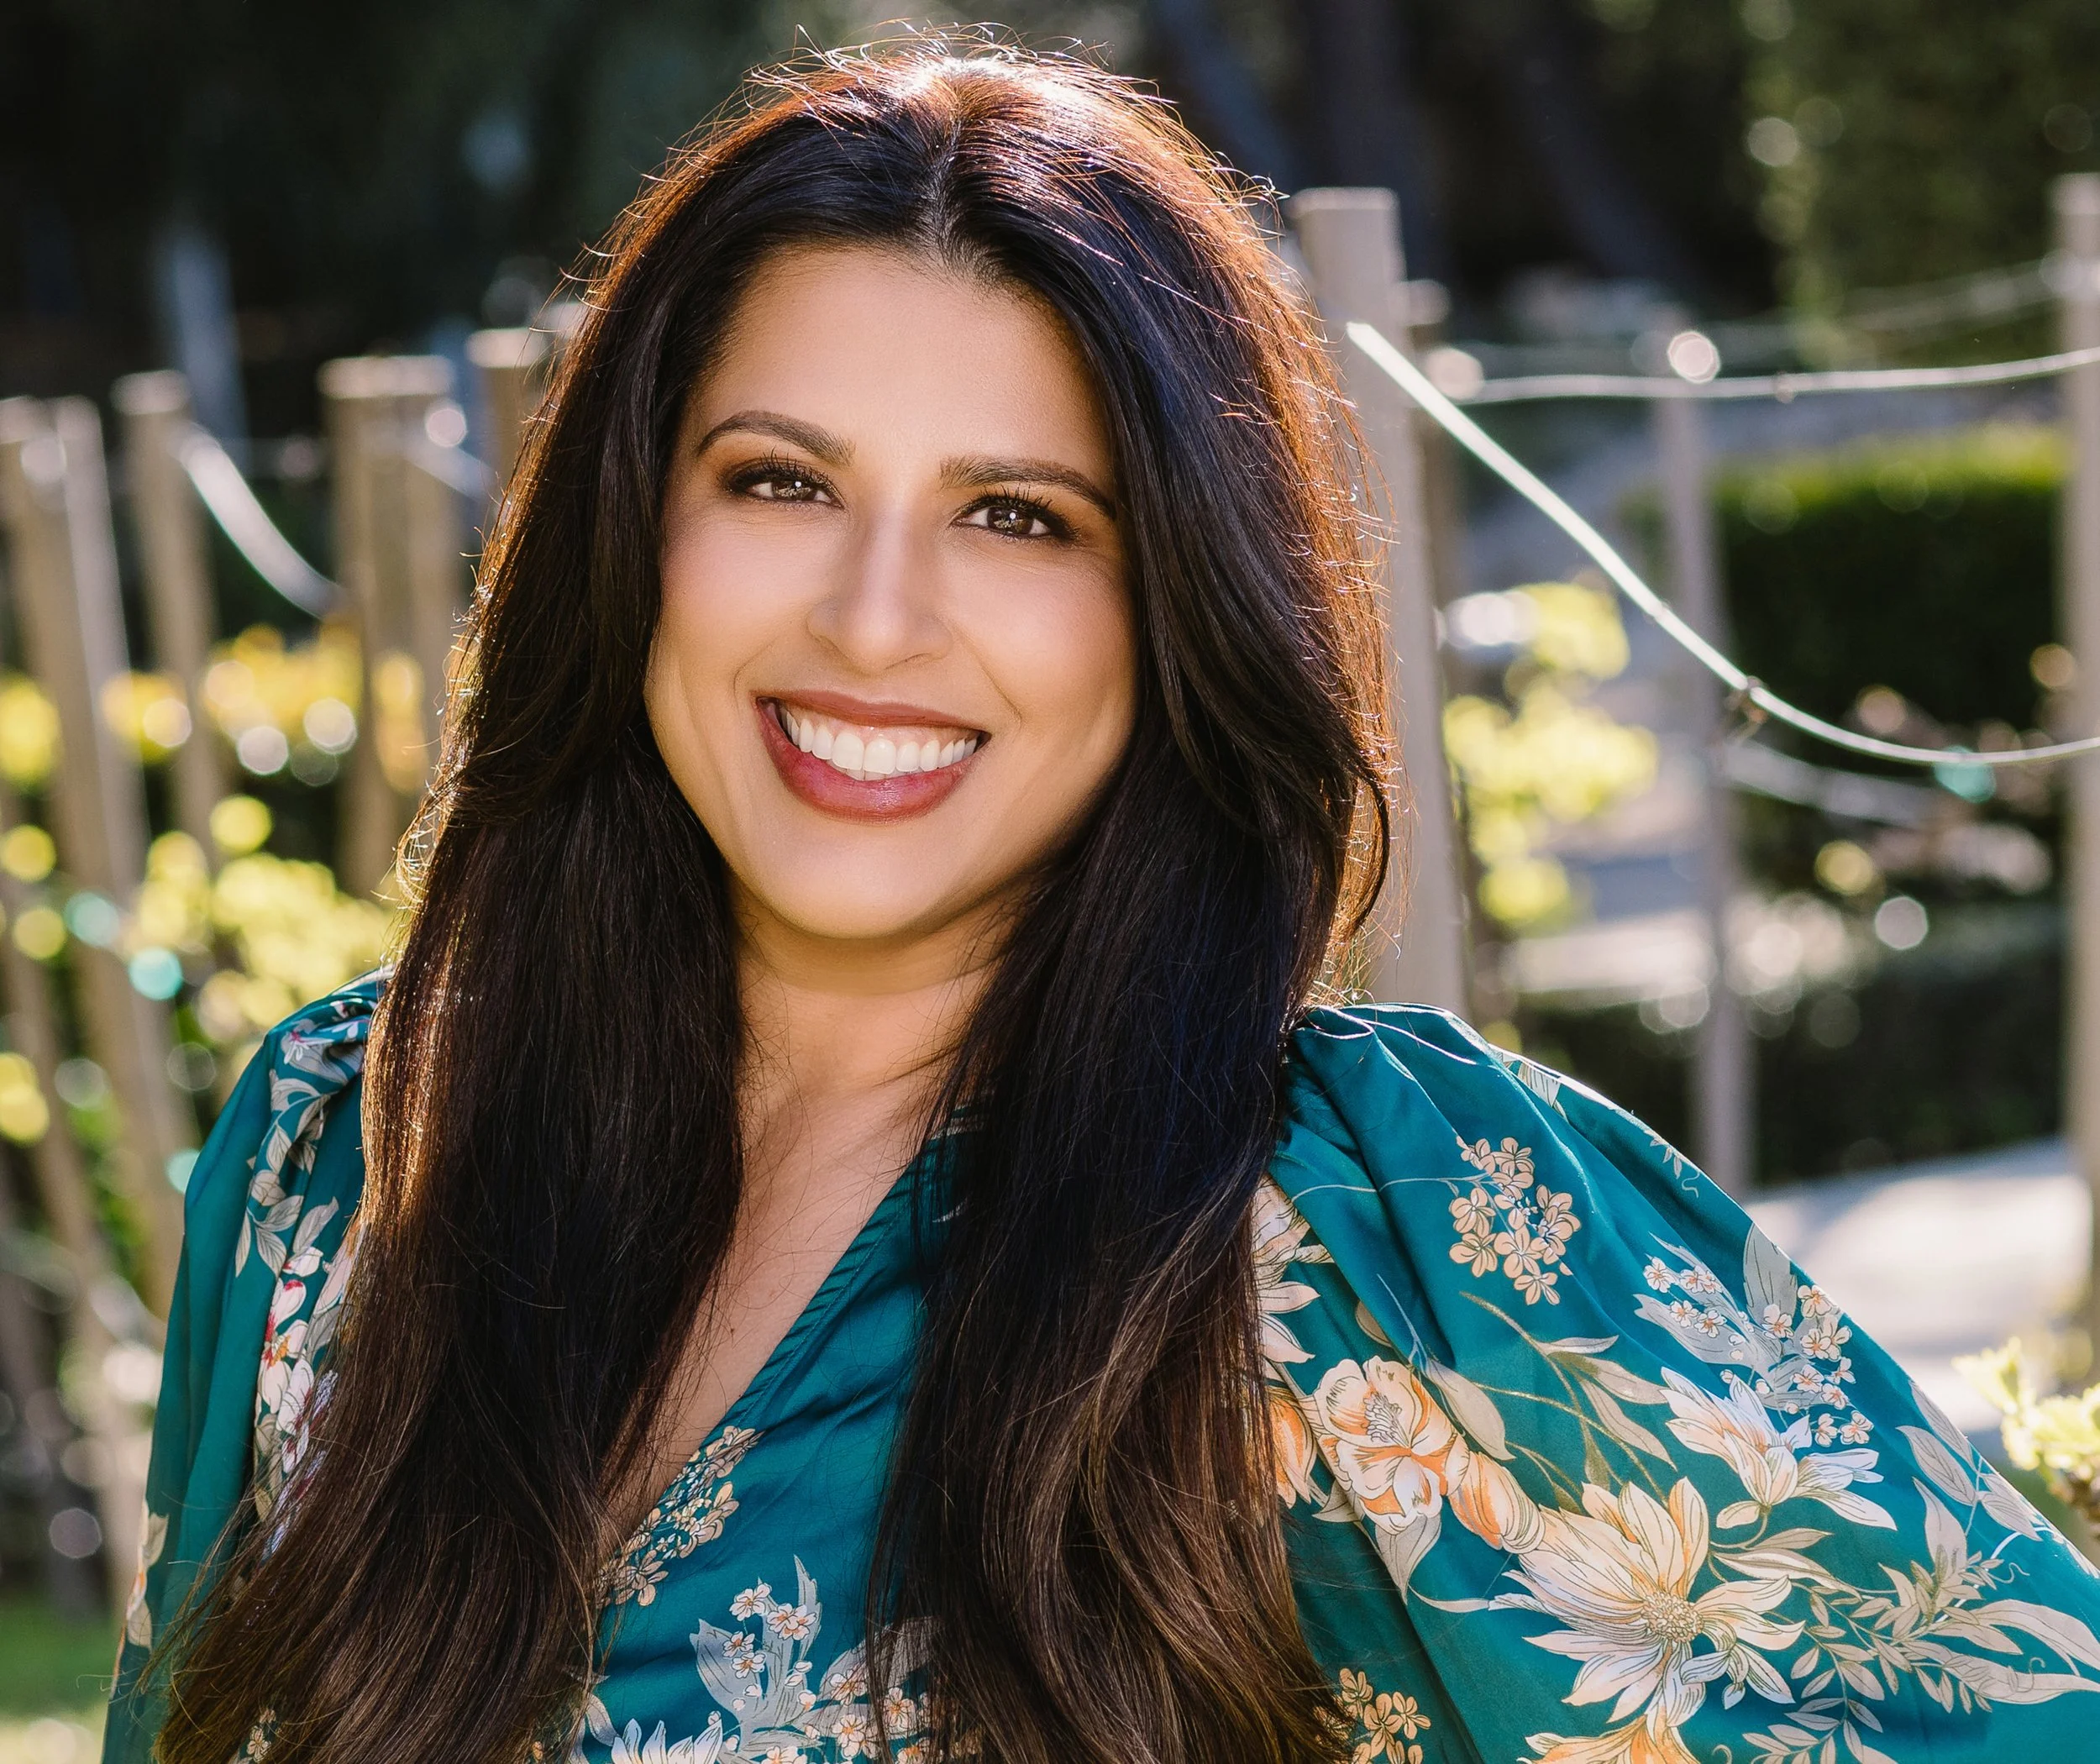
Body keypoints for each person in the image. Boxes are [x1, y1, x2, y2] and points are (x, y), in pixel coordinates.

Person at [108, 43, 2100, 1764]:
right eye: (778, 481)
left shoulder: (1380, 1221)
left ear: (1175, 610)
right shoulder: (340, 1157)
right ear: (635, 530)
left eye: (1017, 517)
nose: (872, 619)